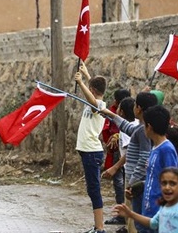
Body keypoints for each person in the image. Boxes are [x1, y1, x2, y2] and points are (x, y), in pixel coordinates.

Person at [100, 92, 157, 233]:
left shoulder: (144, 131)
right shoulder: (141, 127)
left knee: (133, 221)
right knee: (131, 218)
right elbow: (127, 127)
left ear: (138, 108)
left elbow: (144, 157)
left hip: (136, 184)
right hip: (134, 182)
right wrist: (110, 114)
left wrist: (132, 182)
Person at [113, 167, 178, 233]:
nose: (167, 187)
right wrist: (130, 214)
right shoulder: (164, 207)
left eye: (172, 184)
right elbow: (153, 223)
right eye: (164, 183)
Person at [74, 61, 108, 233]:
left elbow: (93, 102)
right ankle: (97, 227)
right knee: (92, 189)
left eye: (89, 86)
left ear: (93, 90)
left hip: (92, 152)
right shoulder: (97, 98)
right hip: (88, 152)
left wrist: (80, 83)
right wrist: (87, 75)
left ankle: (100, 228)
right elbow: (93, 91)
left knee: (94, 190)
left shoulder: (100, 105)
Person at [140, 104, 178, 222]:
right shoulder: (155, 148)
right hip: (149, 209)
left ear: (149, 127)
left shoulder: (166, 149)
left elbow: (173, 181)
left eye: (144, 125)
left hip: (159, 213)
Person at [103, 88, 131, 227]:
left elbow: (129, 151)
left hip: (122, 158)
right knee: (122, 184)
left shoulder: (130, 126)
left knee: (122, 184)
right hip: (117, 153)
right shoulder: (117, 113)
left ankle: (123, 215)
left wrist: (115, 166)